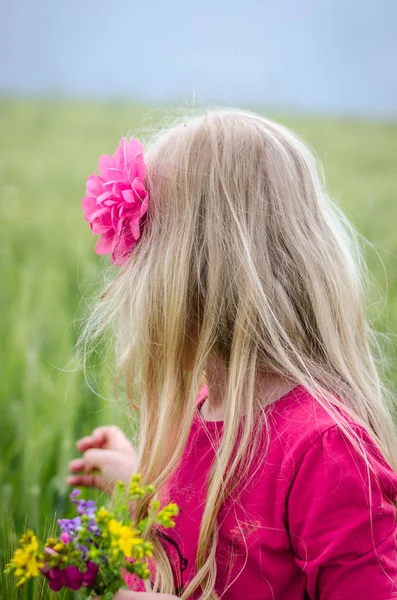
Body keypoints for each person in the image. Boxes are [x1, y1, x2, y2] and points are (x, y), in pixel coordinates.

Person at [69, 109, 397, 599]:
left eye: (145, 256)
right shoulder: (204, 408)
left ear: (196, 277)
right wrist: (138, 478)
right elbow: (213, 512)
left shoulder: (326, 452)